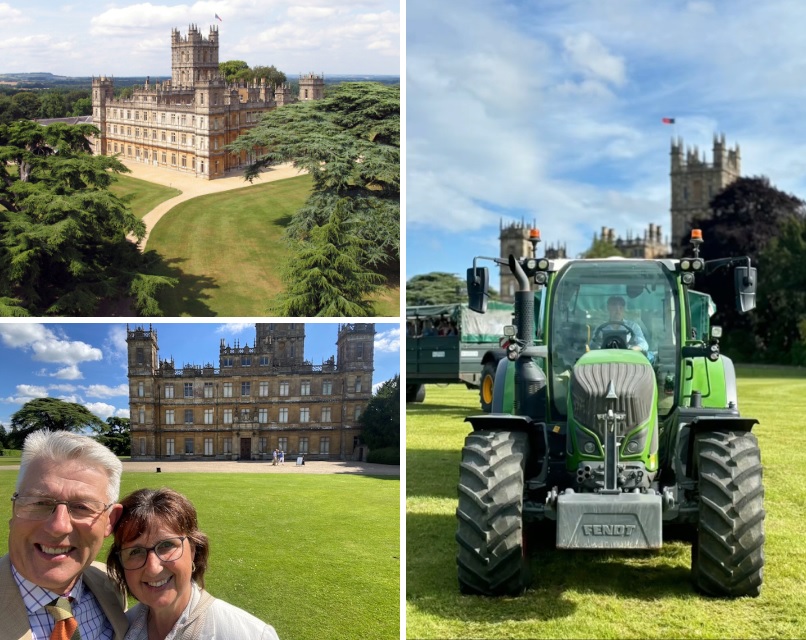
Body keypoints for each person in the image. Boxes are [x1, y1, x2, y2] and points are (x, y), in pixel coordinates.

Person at [2, 429, 129, 639]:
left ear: (110, 521)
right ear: (15, 509)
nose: (58, 526)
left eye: (81, 507)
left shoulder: (111, 583)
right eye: (40, 503)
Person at [107, 488, 280, 640]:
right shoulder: (120, 630)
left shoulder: (251, 635)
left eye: (166, 545)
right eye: (135, 552)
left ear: (193, 550)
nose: (153, 568)